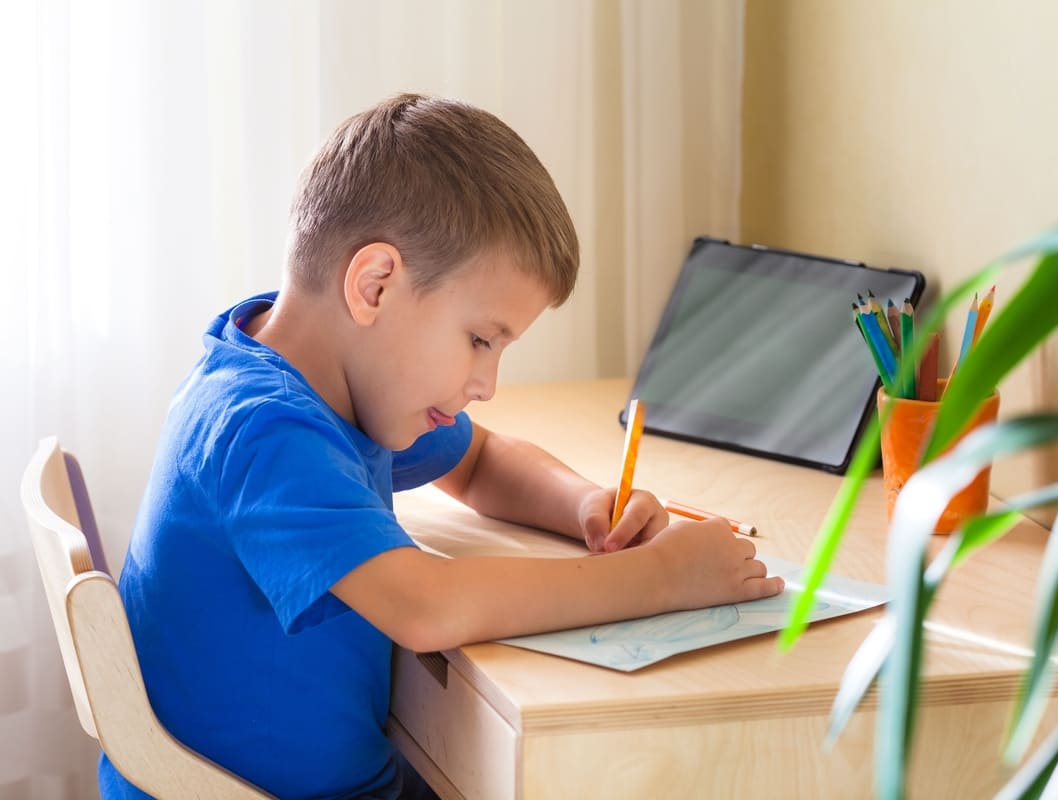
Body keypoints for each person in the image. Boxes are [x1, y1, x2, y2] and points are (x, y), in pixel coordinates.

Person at [100, 93, 783, 799]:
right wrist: (662, 580)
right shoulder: (262, 428)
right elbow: (424, 607)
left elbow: (481, 462)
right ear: (374, 286)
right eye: (480, 340)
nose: (486, 382)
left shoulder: (324, 375)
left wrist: (585, 503)